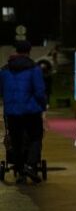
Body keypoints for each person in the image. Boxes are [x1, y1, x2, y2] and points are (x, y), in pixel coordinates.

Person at [0, 40, 47, 184]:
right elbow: (39, 91)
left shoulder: (5, 70)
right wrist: (43, 106)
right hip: (31, 111)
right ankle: (31, 166)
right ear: (29, 51)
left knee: (16, 141)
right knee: (35, 137)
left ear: (16, 50)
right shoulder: (34, 68)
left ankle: (20, 172)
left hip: (12, 112)